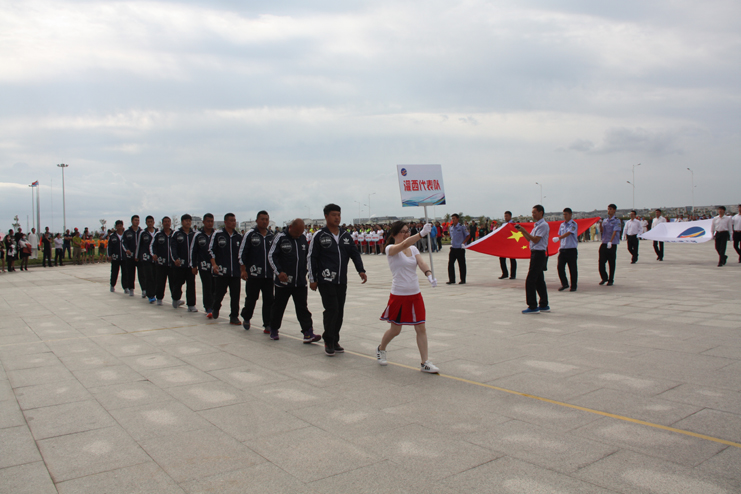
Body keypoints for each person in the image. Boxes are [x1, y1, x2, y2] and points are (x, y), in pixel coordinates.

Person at [377, 220, 439, 373]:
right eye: (403, 232)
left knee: (421, 327)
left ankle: (425, 362)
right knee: (395, 330)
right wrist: (421, 234)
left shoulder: (413, 248)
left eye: (407, 231)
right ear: (394, 234)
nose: (406, 234)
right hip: (399, 294)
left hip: (415, 293)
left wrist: (429, 274)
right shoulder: (390, 249)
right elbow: (404, 244)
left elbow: (421, 263)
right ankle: (381, 348)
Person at [309, 204, 367, 356]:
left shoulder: (345, 235)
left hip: (341, 280)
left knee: (339, 310)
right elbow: (312, 257)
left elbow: (354, 253)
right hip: (325, 279)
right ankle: (328, 340)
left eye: (339, 215)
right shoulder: (319, 235)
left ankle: (335, 339)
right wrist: (312, 278)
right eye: (334, 215)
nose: (337, 218)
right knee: (332, 309)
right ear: (326, 216)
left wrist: (361, 270)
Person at [268, 218, 319, 342]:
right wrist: (279, 272)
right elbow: (271, 256)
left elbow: (308, 257)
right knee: (278, 307)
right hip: (284, 282)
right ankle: (273, 329)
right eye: (296, 232)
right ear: (290, 227)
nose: (298, 235)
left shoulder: (302, 239)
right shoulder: (280, 237)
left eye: (300, 233)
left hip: (300, 281)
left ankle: (308, 332)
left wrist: (311, 275)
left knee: (302, 308)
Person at [239, 211, 275, 332]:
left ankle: (268, 324)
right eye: (262, 219)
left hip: (268, 275)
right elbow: (242, 253)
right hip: (254, 274)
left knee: (269, 300)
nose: (264, 221)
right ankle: (246, 317)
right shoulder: (250, 234)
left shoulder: (271, 236)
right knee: (251, 298)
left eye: (266, 219)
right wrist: (243, 270)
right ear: (257, 220)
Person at [209, 213, 243, 324]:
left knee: (235, 295)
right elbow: (211, 250)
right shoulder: (218, 234)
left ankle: (234, 316)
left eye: (234, 220)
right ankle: (215, 307)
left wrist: (243, 269)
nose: (233, 222)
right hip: (222, 271)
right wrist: (214, 264)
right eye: (231, 220)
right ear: (225, 222)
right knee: (219, 293)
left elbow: (242, 253)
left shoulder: (238, 236)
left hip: (235, 272)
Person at [516, 205, 550, 314]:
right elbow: (529, 239)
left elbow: (535, 240)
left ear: (541, 212)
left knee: (530, 280)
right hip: (535, 253)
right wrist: (522, 231)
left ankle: (532, 305)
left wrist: (524, 230)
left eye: (534, 212)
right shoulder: (536, 225)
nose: (533, 214)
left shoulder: (543, 225)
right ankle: (544, 304)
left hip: (539, 254)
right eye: (532, 212)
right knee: (539, 280)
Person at [170, 214, 197, 311]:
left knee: (191, 285)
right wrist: (175, 259)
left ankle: (191, 305)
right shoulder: (176, 234)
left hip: (190, 265)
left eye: (189, 221)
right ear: (182, 222)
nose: (188, 222)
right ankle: (176, 299)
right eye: (186, 221)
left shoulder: (194, 234)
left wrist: (195, 263)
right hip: (179, 265)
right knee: (178, 283)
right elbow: (172, 248)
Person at [191, 213, 216, 317]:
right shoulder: (198, 235)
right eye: (208, 221)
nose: (210, 223)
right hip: (204, 266)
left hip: (215, 267)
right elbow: (193, 251)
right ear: (203, 222)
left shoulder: (216, 234)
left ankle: (215, 306)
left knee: (215, 287)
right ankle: (208, 307)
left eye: (211, 221)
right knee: (207, 287)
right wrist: (194, 265)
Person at [150, 217, 174, 306]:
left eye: (168, 221)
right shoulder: (158, 234)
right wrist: (154, 254)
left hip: (172, 264)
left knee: (174, 283)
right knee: (160, 282)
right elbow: (152, 246)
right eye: (165, 222)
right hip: (161, 263)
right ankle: (159, 298)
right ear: (162, 223)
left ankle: (175, 299)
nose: (167, 223)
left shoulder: (174, 234)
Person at [554, 207, 578, 292]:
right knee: (560, 267)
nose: (565, 216)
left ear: (570, 215)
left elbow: (568, 233)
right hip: (563, 249)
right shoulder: (562, 225)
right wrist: (560, 245)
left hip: (571, 249)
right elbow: (561, 234)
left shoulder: (573, 224)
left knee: (572, 269)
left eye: (566, 214)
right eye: (564, 214)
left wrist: (559, 238)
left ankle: (573, 286)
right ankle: (564, 284)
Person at [598, 204, 622, 286]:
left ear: (614, 210)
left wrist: (610, 242)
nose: (609, 211)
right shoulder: (605, 220)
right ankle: (604, 277)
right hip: (604, 242)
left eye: (611, 209)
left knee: (611, 262)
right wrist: (600, 224)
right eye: (608, 209)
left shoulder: (617, 221)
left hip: (612, 243)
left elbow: (615, 231)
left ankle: (611, 279)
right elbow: (602, 231)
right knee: (601, 262)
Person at [136, 216, 157, 301]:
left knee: (155, 276)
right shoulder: (143, 233)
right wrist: (137, 256)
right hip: (146, 258)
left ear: (153, 222)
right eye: (148, 222)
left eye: (151, 221)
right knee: (149, 276)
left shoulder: (157, 232)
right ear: (146, 223)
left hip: (155, 259)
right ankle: (150, 295)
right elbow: (138, 245)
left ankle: (154, 292)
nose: (150, 223)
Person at [446, 213, 469, 284]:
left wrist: (463, 243)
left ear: (458, 219)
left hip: (460, 248)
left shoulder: (462, 227)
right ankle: (452, 279)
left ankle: (463, 279)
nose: (453, 220)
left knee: (461, 265)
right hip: (453, 248)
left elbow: (468, 235)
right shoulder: (451, 228)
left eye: (454, 218)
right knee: (450, 264)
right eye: (452, 218)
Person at [122, 215, 141, 296]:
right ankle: (131, 289)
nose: (137, 222)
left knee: (142, 274)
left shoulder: (141, 232)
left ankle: (144, 289)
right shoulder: (127, 232)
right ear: (132, 221)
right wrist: (127, 250)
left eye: (138, 220)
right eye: (135, 220)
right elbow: (123, 243)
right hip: (130, 256)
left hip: (139, 257)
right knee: (130, 273)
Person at [107, 220, 126, 292]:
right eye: (118, 226)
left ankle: (125, 287)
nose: (119, 227)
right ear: (115, 227)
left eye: (120, 226)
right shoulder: (112, 236)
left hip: (124, 257)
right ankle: (112, 285)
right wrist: (109, 255)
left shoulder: (125, 235)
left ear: (122, 226)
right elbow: (109, 246)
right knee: (114, 272)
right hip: (115, 257)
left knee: (125, 273)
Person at [499, 211, 517, 280]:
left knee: (512, 259)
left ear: (510, 216)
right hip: (504, 244)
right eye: (505, 216)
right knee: (502, 258)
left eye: (507, 216)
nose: (505, 217)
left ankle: (513, 274)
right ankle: (505, 273)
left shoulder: (514, 224)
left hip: (511, 244)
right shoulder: (503, 224)